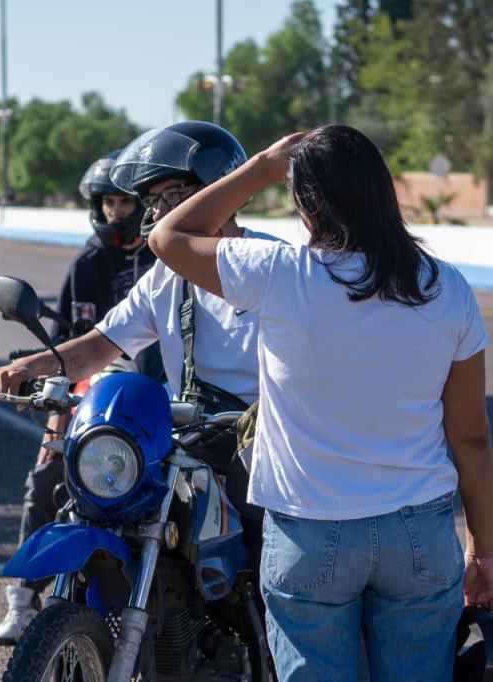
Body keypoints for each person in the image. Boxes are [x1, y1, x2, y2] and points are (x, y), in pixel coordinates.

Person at [147, 123, 493, 682]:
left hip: (309, 531)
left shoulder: (280, 274)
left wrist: (261, 165)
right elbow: (471, 438)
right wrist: (485, 549)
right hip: (419, 534)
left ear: (306, 204)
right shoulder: (446, 287)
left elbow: (167, 237)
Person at [0, 121, 273, 643]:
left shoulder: (275, 264)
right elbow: (99, 345)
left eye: (177, 195)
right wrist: (36, 366)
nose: (161, 212)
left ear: (221, 192)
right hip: (190, 441)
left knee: (272, 568)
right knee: (99, 500)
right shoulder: (167, 276)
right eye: (155, 200)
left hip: (263, 448)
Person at [0, 150, 167, 645]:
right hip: (99, 397)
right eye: (106, 203)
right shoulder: (89, 261)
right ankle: (23, 602)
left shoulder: (166, 259)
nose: (115, 212)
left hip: (166, 399)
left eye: (123, 202)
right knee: (46, 477)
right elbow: (72, 341)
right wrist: (53, 414)